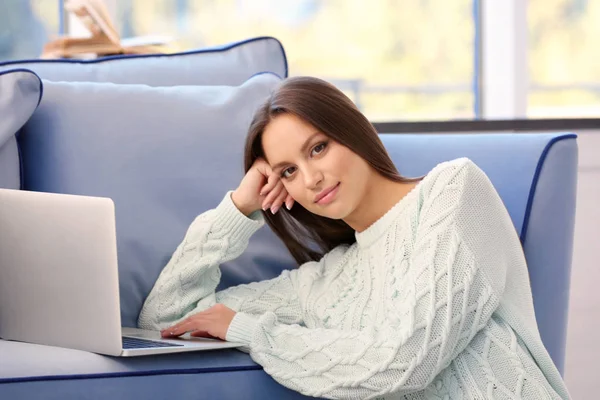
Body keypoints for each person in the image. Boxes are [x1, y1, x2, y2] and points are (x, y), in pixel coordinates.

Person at [138, 77, 570, 399]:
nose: (311, 178)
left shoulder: (453, 191)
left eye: (318, 148)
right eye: (288, 171)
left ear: (351, 129)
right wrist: (238, 208)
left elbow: (405, 361)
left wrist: (253, 332)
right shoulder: (322, 282)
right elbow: (164, 321)